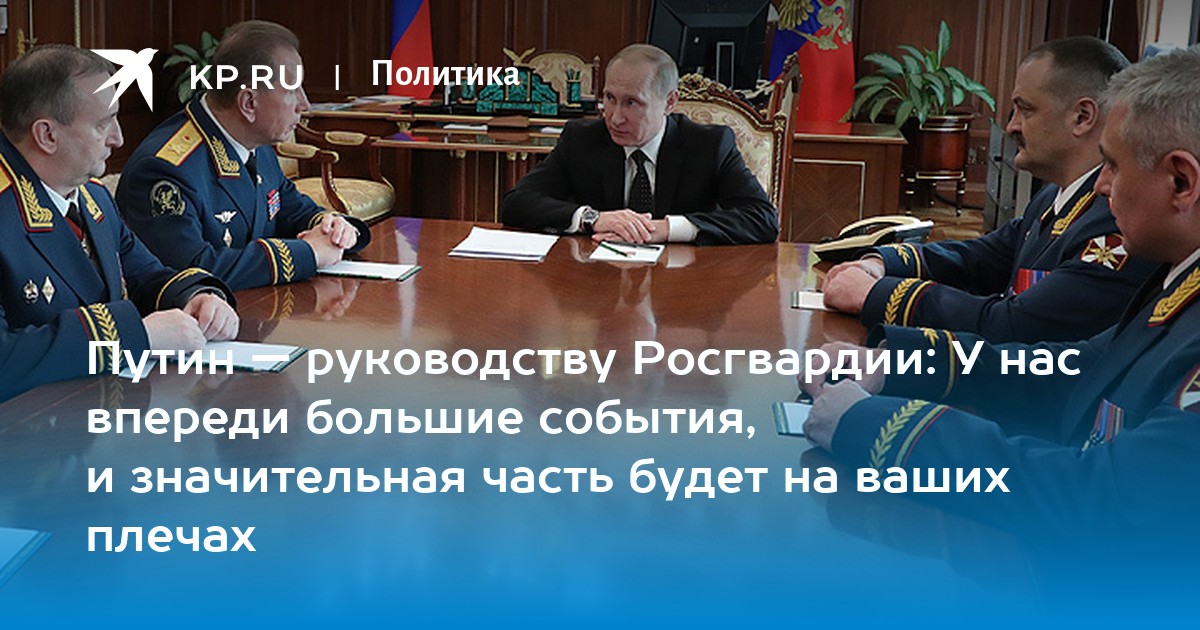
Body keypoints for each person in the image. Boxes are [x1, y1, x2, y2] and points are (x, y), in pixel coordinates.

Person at [801, 46, 1200, 539]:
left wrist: (876, 426)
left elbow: (1103, 497)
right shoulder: (1177, 279)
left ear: (1181, 181)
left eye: (1113, 165)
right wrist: (894, 365)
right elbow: (1069, 369)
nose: (1100, 186)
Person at [822, 37, 1157, 343]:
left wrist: (878, 295)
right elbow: (984, 257)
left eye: (1025, 110)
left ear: (1082, 117)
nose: (1011, 125)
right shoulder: (1056, 196)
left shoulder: (1115, 220)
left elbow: (1017, 325)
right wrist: (883, 262)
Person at [0, 45, 238, 402]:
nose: (119, 138)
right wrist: (136, 336)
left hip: (99, 410)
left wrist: (199, 297)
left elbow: (145, 275)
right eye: (103, 124)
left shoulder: (92, 196)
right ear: (47, 135)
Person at [117, 20, 370, 291]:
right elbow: (190, 270)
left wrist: (334, 228)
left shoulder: (254, 144)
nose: (304, 104)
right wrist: (307, 254)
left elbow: (292, 210)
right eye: (292, 91)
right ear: (249, 102)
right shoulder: (163, 169)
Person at [500, 44, 779, 246]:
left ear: (669, 102)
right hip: (599, 283)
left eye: (632, 103)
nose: (615, 117)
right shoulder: (582, 139)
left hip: (683, 288)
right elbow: (516, 203)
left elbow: (763, 219)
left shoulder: (709, 145)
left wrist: (665, 228)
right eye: (610, 98)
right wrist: (592, 219)